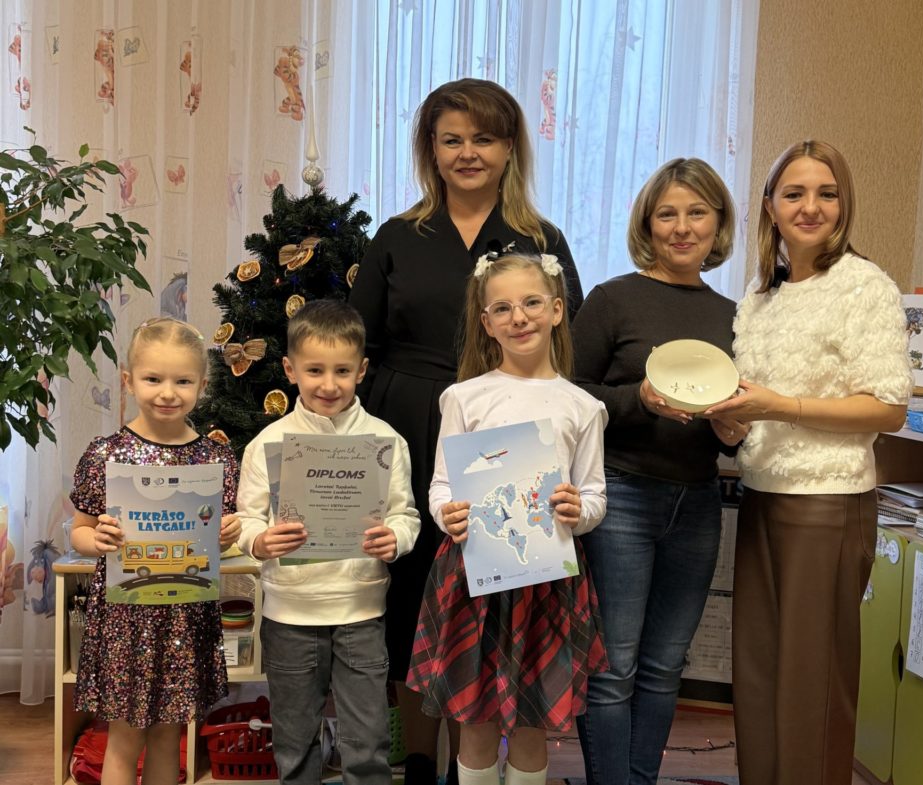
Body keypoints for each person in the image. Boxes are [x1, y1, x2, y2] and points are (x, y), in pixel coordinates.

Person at [349, 77, 584, 784]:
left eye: (483, 138)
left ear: (510, 147)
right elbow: (359, 340)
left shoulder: (541, 240)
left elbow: (565, 341)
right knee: (409, 593)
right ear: (431, 149)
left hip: (507, 436)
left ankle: (473, 761)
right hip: (405, 421)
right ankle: (419, 758)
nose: (467, 153)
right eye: (451, 140)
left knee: (487, 602)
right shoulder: (398, 236)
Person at [703, 140, 913, 785]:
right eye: (794, 193)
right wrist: (730, 419)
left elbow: (888, 408)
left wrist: (780, 405)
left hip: (828, 502)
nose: (810, 207)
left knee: (812, 681)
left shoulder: (864, 286)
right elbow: (754, 405)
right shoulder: (760, 296)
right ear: (770, 206)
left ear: (844, 205)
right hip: (762, 495)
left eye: (827, 193)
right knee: (759, 674)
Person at [570, 158, 747, 785]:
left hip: (697, 501)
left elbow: (738, 422)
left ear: (718, 223)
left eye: (697, 212)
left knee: (666, 665)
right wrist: (637, 400)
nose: (682, 227)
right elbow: (570, 395)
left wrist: (735, 431)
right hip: (621, 494)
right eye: (667, 213)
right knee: (614, 665)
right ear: (647, 224)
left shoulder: (735, 315)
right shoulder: (613, 299)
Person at [406, 253, 607, 785]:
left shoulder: (583, 407)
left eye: (532, 303)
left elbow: (594, 496)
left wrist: (579, 511)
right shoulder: (464, 397)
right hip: (473, 575)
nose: (519, 317)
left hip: (548, 584)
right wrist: (447, 513)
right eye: (503, 308)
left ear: (557, 310)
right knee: (475, 722)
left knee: (533, 726)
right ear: (487, 322)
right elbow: (442, 485)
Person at [235, 299, 420, 785]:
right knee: (294, 741)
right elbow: (247, 521)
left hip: (360, 611)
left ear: (362, 370)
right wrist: (261, 542)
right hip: (290, 615)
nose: (329, 384)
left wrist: (395, 539)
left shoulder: (385, 441)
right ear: (290, 370)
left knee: (368, 742)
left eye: (342, 370)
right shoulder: (267, 443)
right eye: (314, 370)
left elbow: (405, 515)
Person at [70, 317, 241, 785]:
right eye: (153, 379)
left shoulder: (216, 460)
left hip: (186, 616)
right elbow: (80, 532)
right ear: (128, 381)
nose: (168, 393)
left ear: (202, 385)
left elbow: (217, 537)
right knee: (125, 738)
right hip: (126, 620)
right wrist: (95, 539)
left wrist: (228, 534)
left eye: (182, 381)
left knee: (170, 736)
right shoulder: (106, 455)